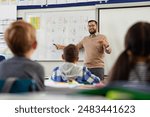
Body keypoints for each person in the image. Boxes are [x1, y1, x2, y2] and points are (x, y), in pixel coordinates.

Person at [0, 20, 45, 90]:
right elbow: (40, 94)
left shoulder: (2, 66)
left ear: (9, 45)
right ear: (34, 45)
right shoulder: (37, 68)